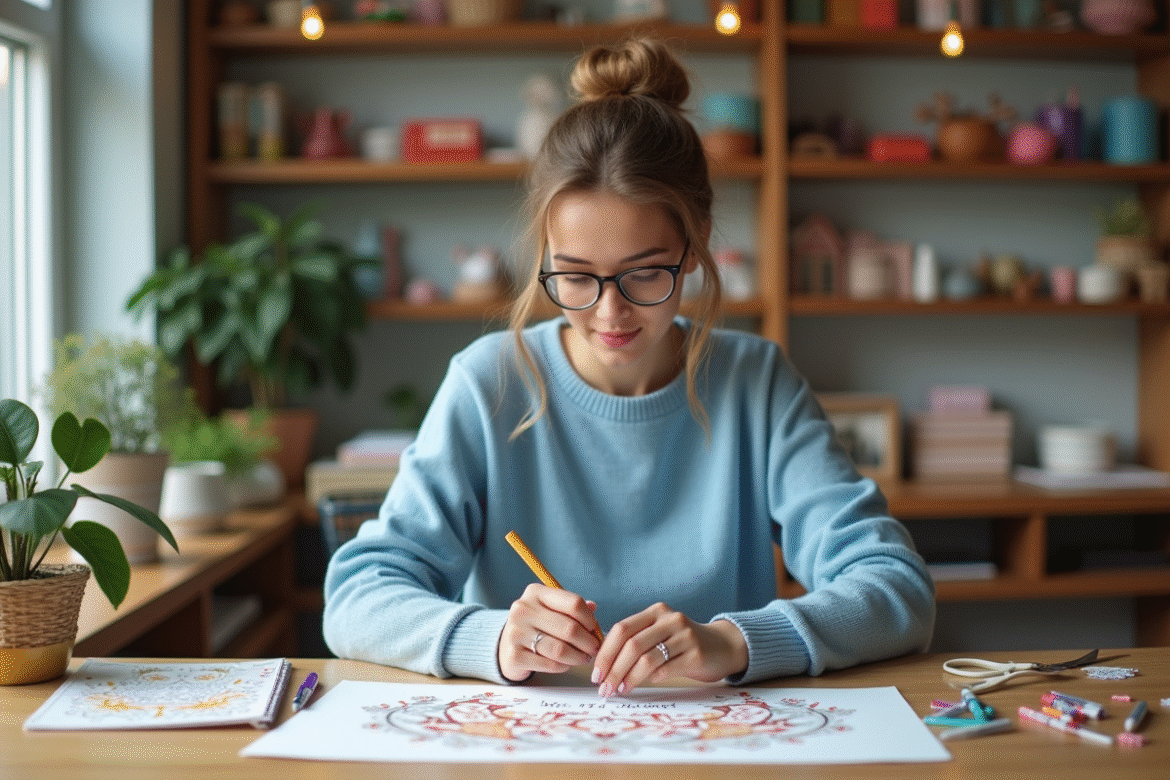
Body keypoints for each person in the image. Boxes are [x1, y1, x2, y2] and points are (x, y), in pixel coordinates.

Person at [323, 37, 935, 696]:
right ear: (545, 255)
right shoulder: (487, 383)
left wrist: (733, 642)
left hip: (717, 738)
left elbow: (896, 587)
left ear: (695, 245)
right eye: (575, 276)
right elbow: (357, 598)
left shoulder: (756, 384)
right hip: (529, 742)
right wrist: (493, 639)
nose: (609, 312)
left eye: (645, 273)